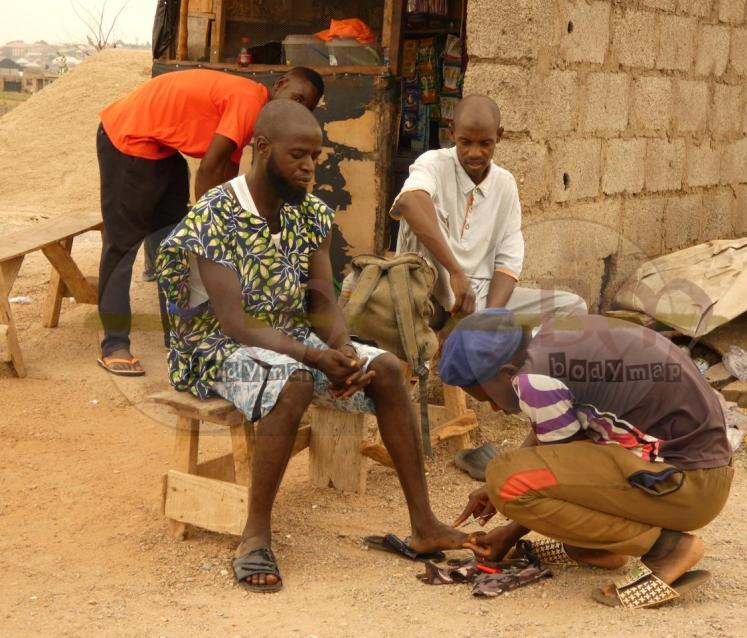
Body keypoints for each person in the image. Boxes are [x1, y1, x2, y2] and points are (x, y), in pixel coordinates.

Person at [156, 100, 470, 593]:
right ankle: (255, 535)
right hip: (212, 350)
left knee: (385, 367)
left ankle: (424, 524)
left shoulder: (310, 215)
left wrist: (343, 349)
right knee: (295, 381)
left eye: (315, 157)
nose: (309, 168)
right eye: (298, 156)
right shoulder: (214, 214)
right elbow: (235, 323)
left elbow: (321, 304)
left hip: (288, 337)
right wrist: (312, 356)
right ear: (261, 149)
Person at [442, 309, 734, 608]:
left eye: (488, 397)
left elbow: (560, 471)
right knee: (509, 476)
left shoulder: (535, 379)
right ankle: (595, 549)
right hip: (698, 473)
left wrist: (508, 527)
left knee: (506, 480)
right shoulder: (550, 340)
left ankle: (669, 549)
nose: (493, 408)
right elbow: (552, 440)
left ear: (506, 372)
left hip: (689, 486)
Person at [96, 66, 325, 376]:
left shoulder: (257, 124)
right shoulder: (248, 101)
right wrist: (215, 233)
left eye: (304, 107)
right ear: (280, 84)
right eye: (296, 98)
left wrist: (232, 227)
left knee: (171, 245)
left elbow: (224, 181)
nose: (295, 109)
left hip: (162, 149)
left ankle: (179, 336)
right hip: (127, 136)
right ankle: (114, 345)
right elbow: (209, 169)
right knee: (121, 246)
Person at [389, 94, 586, 327]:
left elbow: (508, 262)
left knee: (573, 308)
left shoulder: (505, 184)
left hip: (480, 299)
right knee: (425, 213)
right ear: (451, 132)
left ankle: (483, 341)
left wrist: (485, 322)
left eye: (485, 143)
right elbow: (410, 201)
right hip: (427, 293)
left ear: (499, 137)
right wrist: (456, 273)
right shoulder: (432, 163)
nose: (474, 153)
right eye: (465, 142)